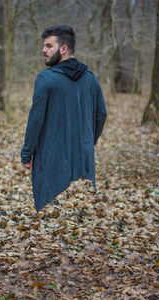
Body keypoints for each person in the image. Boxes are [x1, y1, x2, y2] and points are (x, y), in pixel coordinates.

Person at [21, 25, 107, 212]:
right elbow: (102, 114)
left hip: (52, 162)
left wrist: (27, 153)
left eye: (49, 46)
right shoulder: (91, 78)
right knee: (82, 219)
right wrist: (87, 143)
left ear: (64, 49)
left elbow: (36, 119)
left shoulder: (46, 78)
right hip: (83, 161)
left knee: (52, 221)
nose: (43, 50)